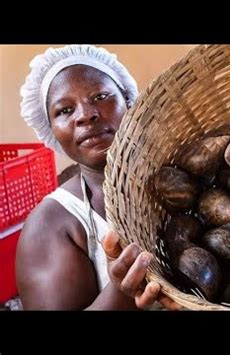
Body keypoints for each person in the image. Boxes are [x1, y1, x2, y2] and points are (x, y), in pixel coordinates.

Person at [16, 45, 181, 310]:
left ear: (129, 103)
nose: (86, 115)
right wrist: (119, 293)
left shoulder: (181, 173)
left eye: (100, 96)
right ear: (52, 129)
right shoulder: (50, 225)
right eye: (65, 111)